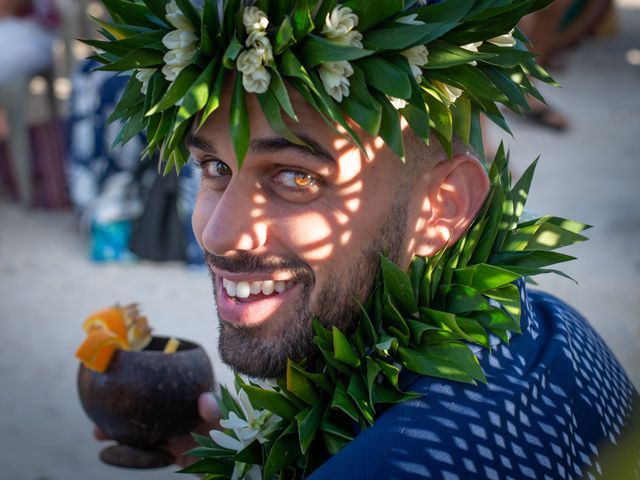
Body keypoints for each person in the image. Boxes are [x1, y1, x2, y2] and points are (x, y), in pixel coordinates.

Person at [89, 1, 640, 477]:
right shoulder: (555, 328)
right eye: (212, 165)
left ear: (441, 208)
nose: (220, 233)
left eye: (296, 176)